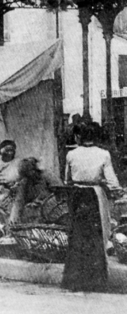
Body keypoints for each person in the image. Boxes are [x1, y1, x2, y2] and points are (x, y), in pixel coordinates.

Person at [63, 121, 123, 291]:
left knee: (77, 237)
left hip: (77, 195)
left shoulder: (71, 154)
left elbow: (67, 179)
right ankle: (95, 281)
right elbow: (111, 181)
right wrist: (118, 192)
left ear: (78, 136)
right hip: (94, 196)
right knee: (96, 236)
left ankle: (74, 281)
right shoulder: (103, 154)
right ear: (96, 137)